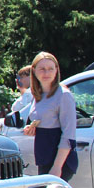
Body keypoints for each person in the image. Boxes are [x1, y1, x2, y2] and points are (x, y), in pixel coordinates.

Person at [23, 51, 79, 180]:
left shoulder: (63, 95)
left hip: (59, 160)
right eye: (42, 69)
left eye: (50, 69)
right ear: (34, 70)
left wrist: (57, 166)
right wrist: (32, 129)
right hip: (44, 155)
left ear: (56, 70)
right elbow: (46, 122)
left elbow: (68, 134)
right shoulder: (37, 95)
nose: (46, 73)